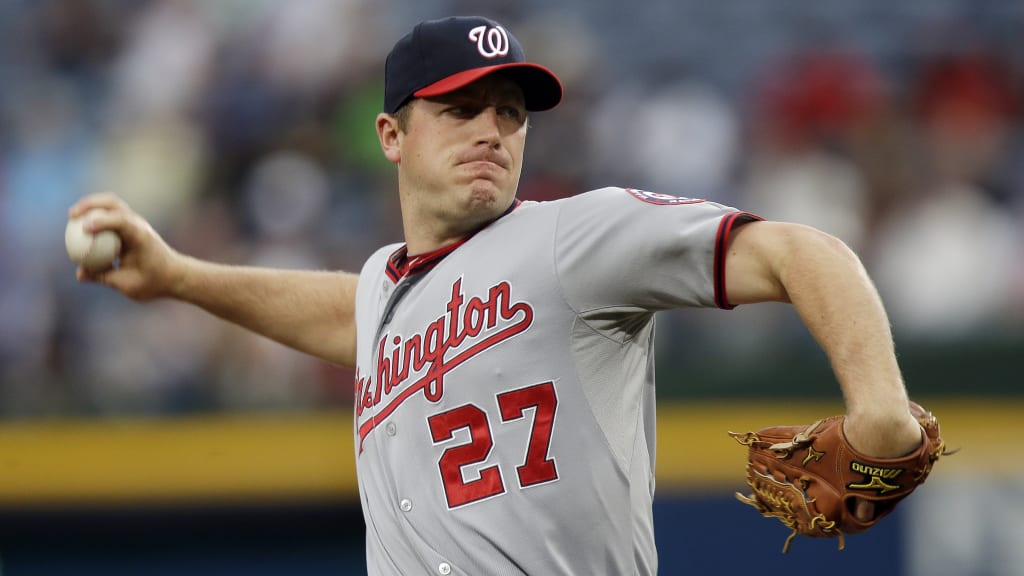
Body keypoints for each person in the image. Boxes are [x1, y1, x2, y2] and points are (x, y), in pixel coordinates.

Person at [70, 15, 924, 576]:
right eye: (460, 107)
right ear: (391, 135)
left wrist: (880, 408)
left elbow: (799, 249)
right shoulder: (386, 289)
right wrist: (180, 276)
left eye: (510, 112)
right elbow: (345, 311)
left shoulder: (575, 239)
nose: (492, 130)